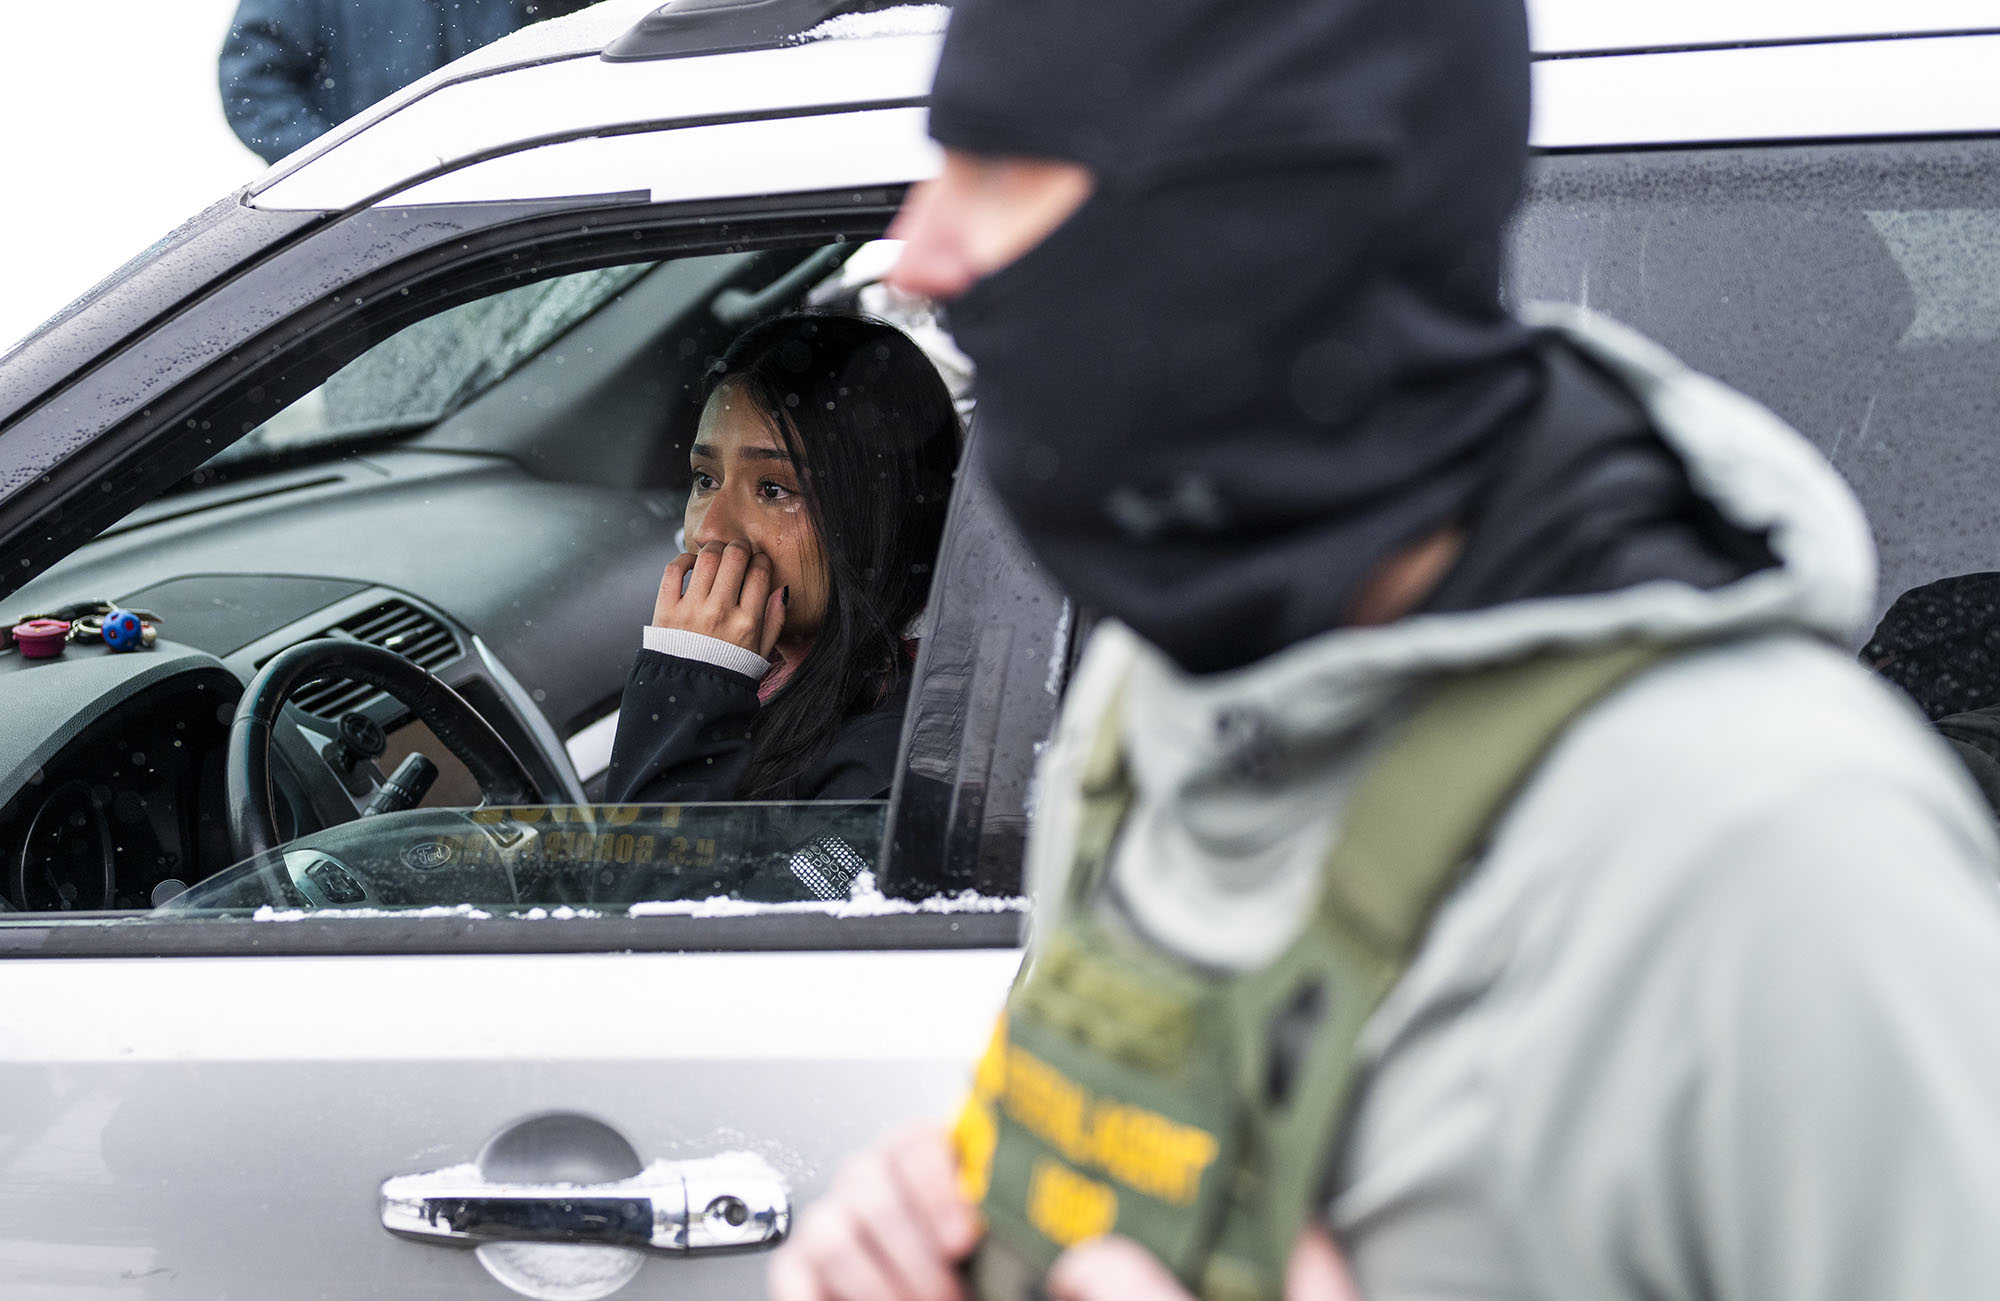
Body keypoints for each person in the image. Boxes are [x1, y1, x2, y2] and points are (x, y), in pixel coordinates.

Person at [768, 0, 2000, 1299]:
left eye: (1003, 167)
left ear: (1262, 224)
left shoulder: (1777, 849)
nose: (914, 253)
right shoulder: (1163, 689)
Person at [604, 312, 960, 808]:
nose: (708, 530)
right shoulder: (775, 681)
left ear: (884, 514)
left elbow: (655, 885)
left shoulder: (890, 771)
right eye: (706, 479)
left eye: (773, 489)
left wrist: (691, 681)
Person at [219, 0, 594, 164]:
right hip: (382, 237)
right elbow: (251, 88)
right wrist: (341, 168)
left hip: (519, 200)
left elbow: (591, 42)